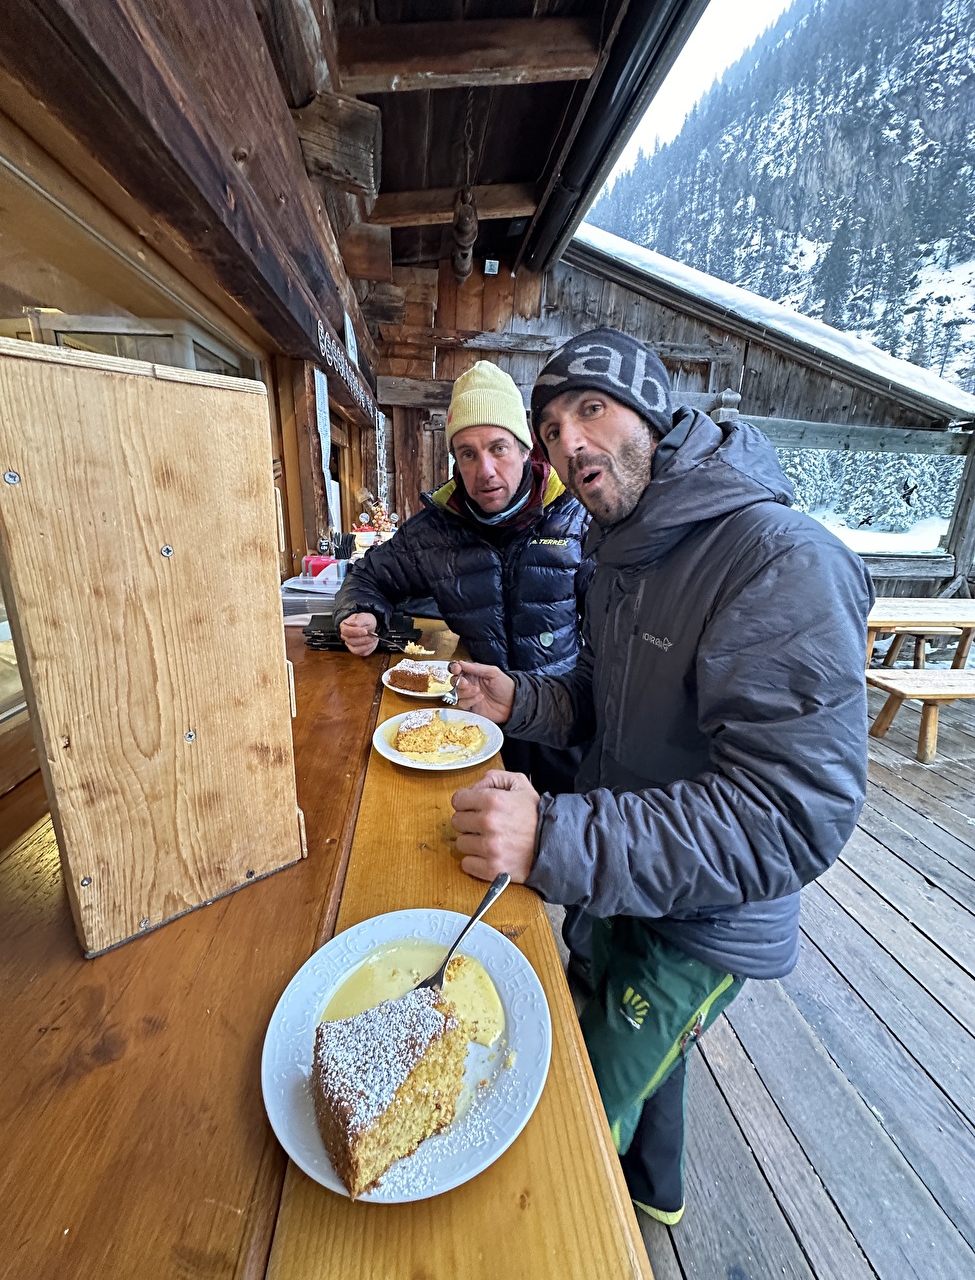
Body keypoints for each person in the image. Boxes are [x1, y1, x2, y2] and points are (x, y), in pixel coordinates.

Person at [448, 327, 873, 1224]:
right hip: (618, 875)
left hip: (702, 919)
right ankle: (658, 1187)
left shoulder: (779, 558)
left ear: (652, 409)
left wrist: (554, 835)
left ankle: (581, 1223)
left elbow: (786, 819)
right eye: (553, 425)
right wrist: (519, 701)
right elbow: (604, 699)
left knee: (562, 1126)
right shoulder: (620, 548)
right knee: (616, 1023)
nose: (569, 443)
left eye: (590, 410)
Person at [333, 360, 591, 793]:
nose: (484, 470)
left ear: (527, 449)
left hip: (564, 728)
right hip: (475, 728)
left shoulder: (576, 518)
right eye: (467, 453)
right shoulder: (435, 531)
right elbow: (366, 578)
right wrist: (360, 614)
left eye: (498, 448)